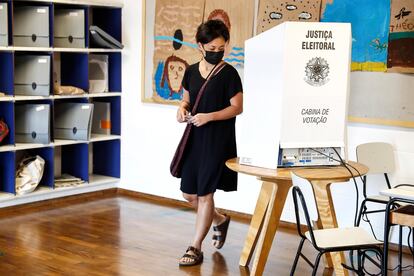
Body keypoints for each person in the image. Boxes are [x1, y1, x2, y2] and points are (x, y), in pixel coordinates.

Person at [176, 19, 243, 266]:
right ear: (200, 46)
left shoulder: (229, 74)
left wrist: (210, 116)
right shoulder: (191, 71)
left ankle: (195, 247)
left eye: (221, 48)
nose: (217, 53)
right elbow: (186, 100)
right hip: (195, 138)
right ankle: (219, 219)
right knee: (188, 194)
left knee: (205, 194)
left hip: (217, 140)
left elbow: (238, 108)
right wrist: (182, 110)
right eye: (212, 49)